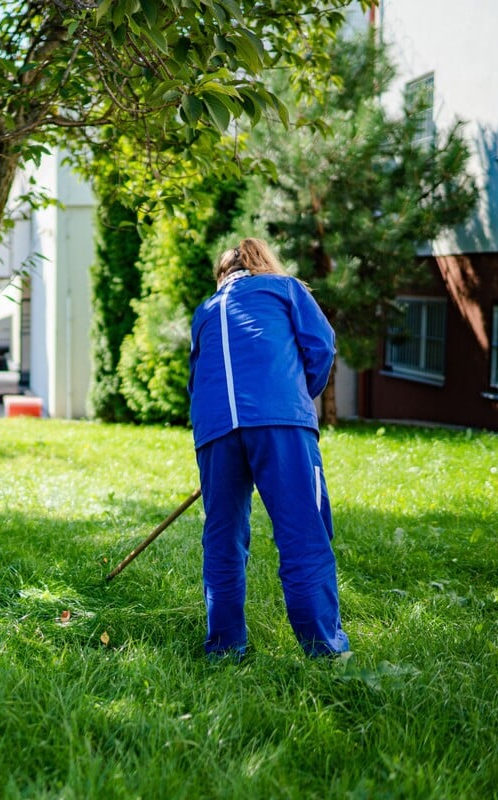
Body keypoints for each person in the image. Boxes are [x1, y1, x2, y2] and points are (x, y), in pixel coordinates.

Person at [187, 237, 350, 660]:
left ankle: (225, 650)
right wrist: (298, 396)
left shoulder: (204, 311)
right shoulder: (285, 288)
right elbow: (321, 347)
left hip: (215, 433)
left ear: (222, 276)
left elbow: (195, 380)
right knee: (303, 534)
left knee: (222, 541)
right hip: (280, 421)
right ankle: (325, 652)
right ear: (262, 263)